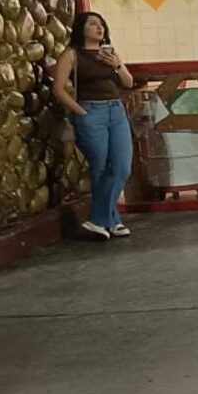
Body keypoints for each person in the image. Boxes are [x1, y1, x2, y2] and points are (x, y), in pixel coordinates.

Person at [51, 12, 135, 241]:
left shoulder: (110, 53)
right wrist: (81, 111)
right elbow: (58, 88)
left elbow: (128, 82)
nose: (99, 28)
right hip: (91, 111)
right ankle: (112, 220)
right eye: (93, 24)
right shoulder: (72, 54)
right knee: (100, 167)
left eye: (101, 25)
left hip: (116, 111)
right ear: (81, 29)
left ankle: (98, 220)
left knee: (121, 166)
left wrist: (117, 65)